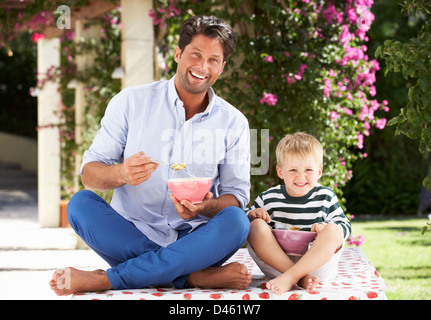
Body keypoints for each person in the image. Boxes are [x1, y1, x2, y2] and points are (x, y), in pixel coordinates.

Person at [49, 15, 252, 295]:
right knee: (80, 205)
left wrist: (204, 207)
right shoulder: (131, 102)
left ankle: (109, 279)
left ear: (222, 67)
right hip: (131, 233)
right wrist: (120, 173)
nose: (203, 67)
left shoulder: (234, 122)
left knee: (237, 222)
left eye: (213, 60)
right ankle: (190, 276)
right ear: (178, 53)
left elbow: (236, 198)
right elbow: (89, 174)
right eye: (196, 54)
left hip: (196, 241)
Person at [246, 132, 351, 295]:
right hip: (277, 267)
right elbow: (246, 218)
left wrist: (324, 228)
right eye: (293, 170)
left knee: (334, 229)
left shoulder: (326, 197)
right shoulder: (269, 198)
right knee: (254, 225)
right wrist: (253, 214)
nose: (301, 176)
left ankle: (291, 276)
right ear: (280, 172)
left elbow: (345, 227)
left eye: (308, 169)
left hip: (316, 269)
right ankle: (296, 276)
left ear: (319, 172)